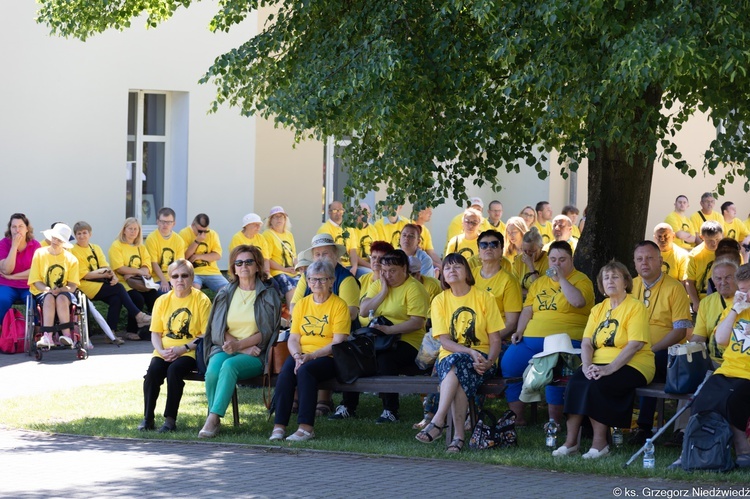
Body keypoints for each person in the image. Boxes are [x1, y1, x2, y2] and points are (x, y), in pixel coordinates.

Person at [553, 261, 654, 459]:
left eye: (615, 277)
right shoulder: (598, 309)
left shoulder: (635, 307)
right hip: (598, 363)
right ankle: (571, 442)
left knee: (596, 385)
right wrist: (587, 366)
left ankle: (600, 445)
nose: (610, 281)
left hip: (634, 363)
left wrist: (608, 369)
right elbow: (586, 344)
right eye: (606, 278)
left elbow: (635, 345)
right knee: (575, 383)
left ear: (625, 281)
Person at [415, 254, 503, 452]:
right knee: (457, 363)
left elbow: (495, 339)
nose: (452, 270)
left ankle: (446, 429)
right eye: (447, 268)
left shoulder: (484, 298)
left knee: (459, 373)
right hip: (451, 357)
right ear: (443, 276)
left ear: (467, 272)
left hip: (482, 361)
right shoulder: (439, 300)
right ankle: (451, 431)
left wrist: (489, 362)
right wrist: (469, 351)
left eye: (457, 267)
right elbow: (444, 340)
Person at [502, 241, 594, 425]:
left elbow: (578, 302)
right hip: (531, 339)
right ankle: (517, 418)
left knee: (554, 369)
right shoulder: (540, 283)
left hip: (565, 341)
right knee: (509, 364)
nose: (557, 264)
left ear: (571, 260)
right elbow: (528, 309)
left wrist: (561, 279)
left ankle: (554, 421)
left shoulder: (582, 280)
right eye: (553, 259)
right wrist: (519, 330)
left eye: (562, 260)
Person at [331, 250, 430, 423]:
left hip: (408, 341)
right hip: (378, 338)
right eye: (383, 271)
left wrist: (389, 330)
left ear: (404, 268)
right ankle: (348, 406)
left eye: (392, 271)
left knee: (385, 359)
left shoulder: (414, 288)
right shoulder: (379, 284)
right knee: (352, 354)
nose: (387, 275)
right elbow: (363, 310)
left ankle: (390, 410)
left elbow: (417, 323)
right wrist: (383, 291)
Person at [670, 263, 750, 469]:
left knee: (730, 400)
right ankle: (690, 450)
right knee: (701, 400)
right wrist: (734, 310)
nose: (745, 295)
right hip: (727, 370)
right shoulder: (738, 309)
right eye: (742, 291)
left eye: (748, 290)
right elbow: (722, 339)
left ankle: (743, 450)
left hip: (747, 374)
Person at [199, 245, 281, 438]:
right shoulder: (225, 293)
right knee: (212, 370)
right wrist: (238, 347)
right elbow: (218, 328)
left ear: (257, 266)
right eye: (239, 262)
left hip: (257, 353)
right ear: (234, 268)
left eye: (249, 262)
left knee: (229, 366)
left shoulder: (268, 295)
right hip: (228, 347)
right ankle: (215, 416)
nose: (244, 266)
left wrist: (239, 348)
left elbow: (267, 332)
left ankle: (212, 419)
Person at [269, 259, 351, 442]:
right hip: (302, 354)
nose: (317, 284)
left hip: (328, 356)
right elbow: (294, 338)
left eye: (322, 280)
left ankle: (306, 428)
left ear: (332, 281)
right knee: (286, 373)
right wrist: (298, 356)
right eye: (313, 280)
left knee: (306, 371)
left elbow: (337, 342)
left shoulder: (339, 305)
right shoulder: (301, 304)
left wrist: (311, 356)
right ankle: (279, 426)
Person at [628, 241, 692, 445]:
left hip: (664, 352)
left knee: (653, 362)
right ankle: (602, 424)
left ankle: (644, 427)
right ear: (635, 264)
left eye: (649, 258)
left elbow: (680, 331)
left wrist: (651, 349)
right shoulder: (630, 286)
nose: (644, 263)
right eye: (639, 259)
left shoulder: (675, 288)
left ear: (661, 261)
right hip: (631, 349)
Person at [290, 233, 360, 415]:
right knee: (297, 343)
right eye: (317, 254)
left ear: (336, 255)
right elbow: (293, 306)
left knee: (323, 340)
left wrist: (323, 315)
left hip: (344, 335)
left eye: (326, 253)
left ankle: (323, 400)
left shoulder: (346, 279)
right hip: (309, 331)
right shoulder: (307, 276)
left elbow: (351, 313)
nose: (321, 258)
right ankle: (295, 398)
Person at [139, 259, 211, 433]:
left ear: (192, 277)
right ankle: (148, 418)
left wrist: (183, 349)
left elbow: (205, 335)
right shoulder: (162, 301)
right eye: (175, 276)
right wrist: (162, 351)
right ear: (170, 279)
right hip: (164, 350)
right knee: (153, 372)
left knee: (174, 371)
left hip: (190, 352)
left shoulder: (201, 300)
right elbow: (155, 333)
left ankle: (170, 420)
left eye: (184, 275)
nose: (180, 280)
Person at [71, 221, 150, 344]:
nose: (82, 236)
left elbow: (105, 266)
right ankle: (138, 316)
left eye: (84, 233)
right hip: (85, 285)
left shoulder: (95, 248)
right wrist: (103, 274)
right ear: (75, 236)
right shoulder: (74, 250)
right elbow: (84, 274)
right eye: (79, 234)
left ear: (90, 234)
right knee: (118, 289)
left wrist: (113, 276)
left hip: (99, 283)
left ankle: (110, 333)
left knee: (116, 298)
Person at [27, 223, 80, 348]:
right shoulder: (39, 253)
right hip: (42, 291)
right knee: (49, 297)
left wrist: (60, 289)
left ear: (64, 242)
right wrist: (48, 290)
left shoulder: (71, 259)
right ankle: (47, 336)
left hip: (64, 293)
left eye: (59, 239)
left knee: (61, 298)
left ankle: (67, 336)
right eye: (54, 238)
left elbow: (72, 285)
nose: (55, 241)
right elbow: (35, 280)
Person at [109, 217, 159, 340]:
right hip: (123, 283)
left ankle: (157, 329)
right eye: (130, 229)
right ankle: (131, 331)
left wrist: (133, 273)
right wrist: (138, 271)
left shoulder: (140, 247)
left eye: (135, 229)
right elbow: (120, 268)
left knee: (155, 297)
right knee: (138, 298)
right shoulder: (116, 246)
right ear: (124, 230)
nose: (133, 231)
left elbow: (147, 267)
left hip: (141, 282)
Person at [472, 230, 522, 342]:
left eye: (494, 244)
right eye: (484, 245)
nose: (488, 248)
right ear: (479, 251)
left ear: (501, 250)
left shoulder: (509, 281)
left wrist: (487, 340)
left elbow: (511, 323)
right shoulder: (470, 276)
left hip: (496, 340)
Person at [692, 259, 738, 367]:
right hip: (714, 363)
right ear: (713, 281)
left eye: (728, 277)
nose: (723, 282)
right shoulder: (706, 303)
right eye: (718, 278)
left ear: (738, 278)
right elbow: (699, 338)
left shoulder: (745, 300)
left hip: (739, 363)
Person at [0, 213, 41, 320]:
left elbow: (35, 271)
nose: (17, 230)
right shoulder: (4, 244)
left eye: (20, 226)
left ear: (27, 229)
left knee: (33, 302)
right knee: (2, 299)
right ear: (10, 229)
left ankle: (37, 333)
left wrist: (13, 276)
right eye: (14, 227)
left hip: (28, 285)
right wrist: (14, 247)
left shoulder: (35, 245)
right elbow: (6, 270)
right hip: (7, 285)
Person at [179, 213, 229, 292]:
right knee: (194, 289)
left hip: (212, 272)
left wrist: (198, 256)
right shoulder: (184, 233)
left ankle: (217, 304)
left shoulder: (212, 234)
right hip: (193, 271)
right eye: (200, 231)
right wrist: (197, 241)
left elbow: (217, 255)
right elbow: (184, 257)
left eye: (205, 231)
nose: (203, 234)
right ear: (193, 225)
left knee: (228, 290)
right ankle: (197, 304)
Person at [262, 205, 299, 306]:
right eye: (275, 217)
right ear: (270, 220)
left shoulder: (289, 235)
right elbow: (267, 259)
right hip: (277, 271)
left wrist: (298, 268)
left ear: (285, 219)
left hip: (291, 270)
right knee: (289, 284)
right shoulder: (267, 234)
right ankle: (292, 316)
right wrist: (285, 269)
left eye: (281, 216)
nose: (279, 219)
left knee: (306, 282)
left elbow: (294, 256)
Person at [144, 207, 186, 293]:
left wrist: (176, 281)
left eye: (169, 222)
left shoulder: (179, 240)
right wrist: (164, 280)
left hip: (174, 277)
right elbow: (153, 263)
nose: (165, 225)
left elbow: (180, 264)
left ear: (173, 223)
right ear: (157, 222)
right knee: (166, 294)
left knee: (187, 292)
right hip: (156, 278)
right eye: (162, 221)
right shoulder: (151, 238)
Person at [686, 220, 723, 313]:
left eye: (717, 239)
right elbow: (689, 282)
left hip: (722, 300)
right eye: (710, 240)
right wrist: (696, 302)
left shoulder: (730, 253)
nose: (714, 243)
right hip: (701, 301)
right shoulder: (694, 255)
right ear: (702, 237)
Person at [512, 227, 549, 294]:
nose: (527, 255)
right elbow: (513, 286)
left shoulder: (548, 261)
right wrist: (529, 293)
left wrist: (531, 265)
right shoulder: (519, 260)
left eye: (532, 251)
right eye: (524, 250)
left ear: (541, 247)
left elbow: (540, 289)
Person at [317, 201, 353, 269]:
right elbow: (328, 253)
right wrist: (342, 268)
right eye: (335, 210)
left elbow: (353, 250)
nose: (338, 212)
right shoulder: (324, 229)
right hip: (333, 267)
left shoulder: (349, 228)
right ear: (329, 212)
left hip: (350, 266)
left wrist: (354, 267)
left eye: (341, 210)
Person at [349, 203, 378, 276]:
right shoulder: (351, 229)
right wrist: (371, 266)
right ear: (354, 214)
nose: (362, 215)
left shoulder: (373, 229)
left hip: (371, 264)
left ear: (370, 215)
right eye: (360, 213)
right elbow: (353, 255)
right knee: (371, 274)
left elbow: (377, 251)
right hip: (356, 265)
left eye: (365, 213)